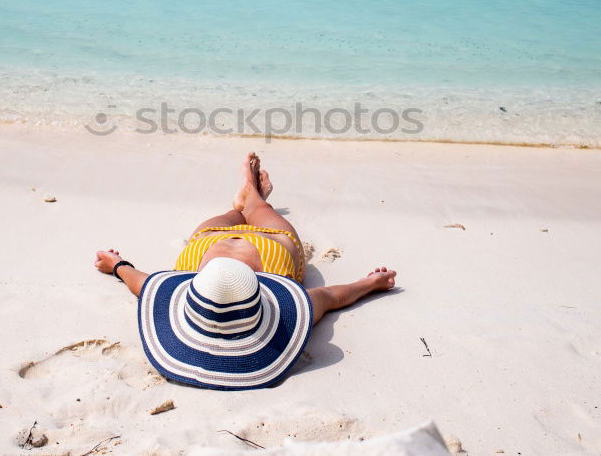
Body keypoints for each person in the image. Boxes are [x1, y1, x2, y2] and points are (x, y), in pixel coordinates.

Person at [95, 152, 397, 391]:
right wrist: (117, 265)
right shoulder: (179, 283)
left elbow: (329, 297)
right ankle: (252, 196)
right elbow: (142, 283)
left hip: (265, 251)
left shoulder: (286, 306)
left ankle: (252, 196)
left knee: (243, 211)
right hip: (206, 249)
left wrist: (369, 284)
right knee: (242, 212)